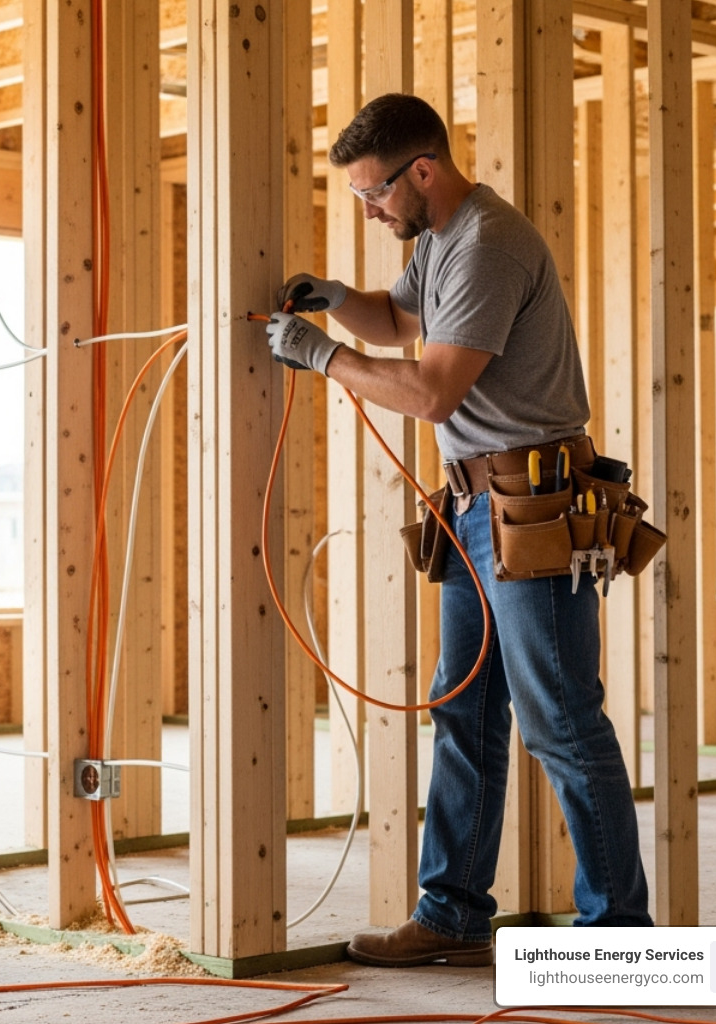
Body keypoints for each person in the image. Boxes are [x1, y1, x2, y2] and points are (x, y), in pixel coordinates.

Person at [267, 93, 652, 968]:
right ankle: (452, 914)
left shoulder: (486, 244)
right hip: (474, 510)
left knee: (560, 720)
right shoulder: (437, 240)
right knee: (465, 711)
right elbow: (401, 319)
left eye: (375, 195)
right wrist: (334, 302)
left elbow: (432, 391)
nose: (370, 211)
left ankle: (619, 937)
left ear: (424, 171)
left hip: (531, 512)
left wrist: (324, 356)